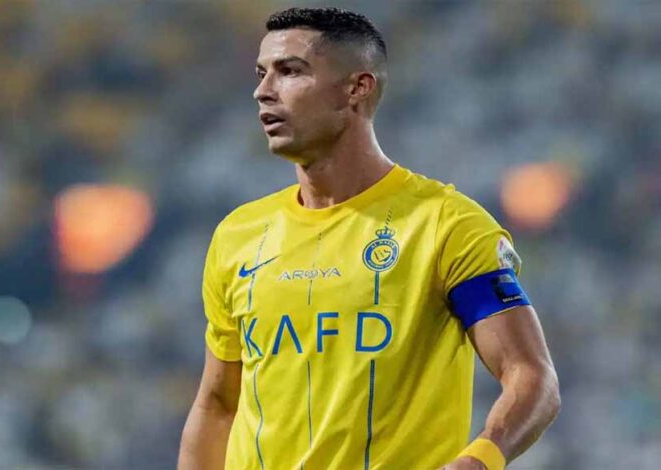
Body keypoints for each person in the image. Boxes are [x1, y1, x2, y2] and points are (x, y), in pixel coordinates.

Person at [178, 7, 560, 470]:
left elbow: (531, 377)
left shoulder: (445, 225)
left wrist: (478, 460)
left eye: (290, 71)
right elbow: (218, 404)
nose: (263, 91)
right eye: (262, 74)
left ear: (357, 88)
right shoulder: (239, 234)